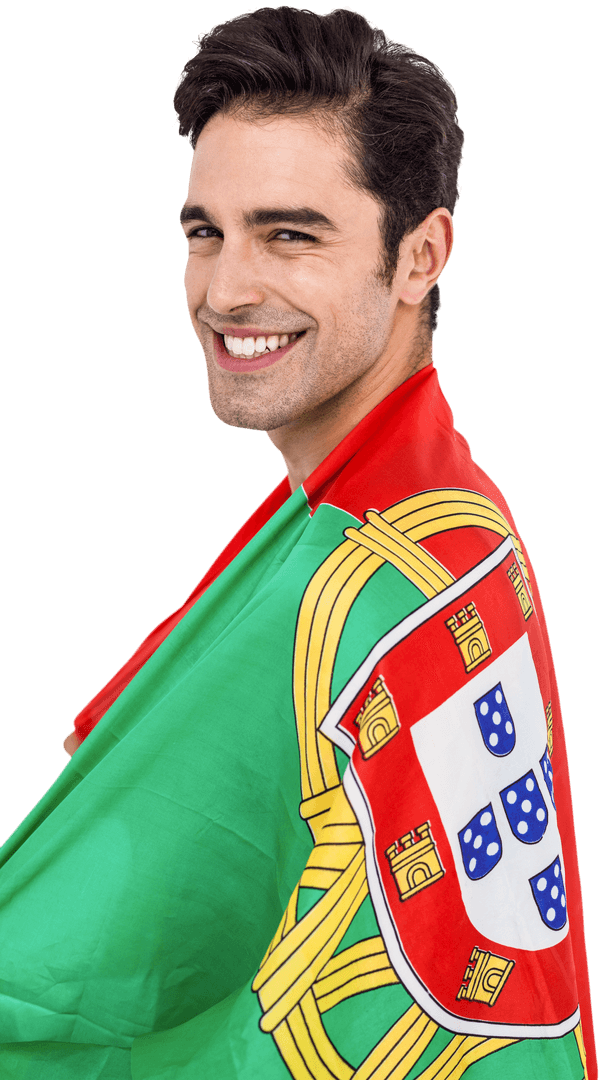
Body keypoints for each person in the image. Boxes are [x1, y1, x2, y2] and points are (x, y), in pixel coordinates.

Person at [0, 7, 595, 1079]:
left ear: (418, 257)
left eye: (289, 234)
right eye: (203, 231)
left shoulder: (357, 581)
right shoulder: (444, 517)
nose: (224, 290)